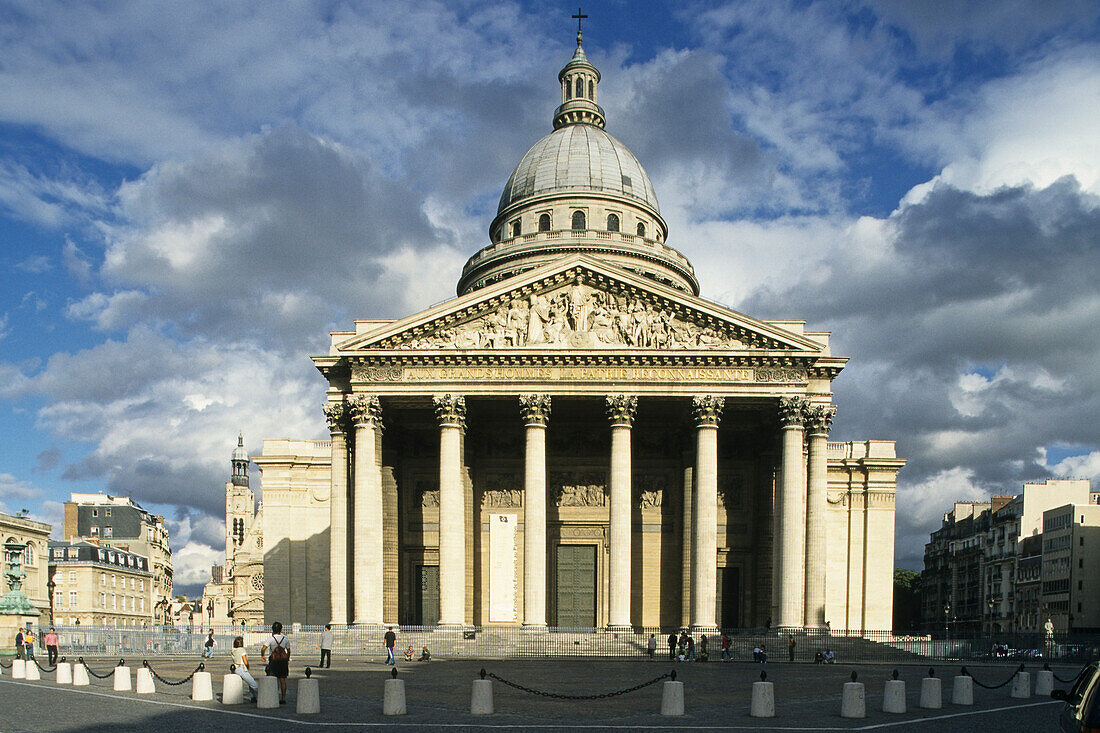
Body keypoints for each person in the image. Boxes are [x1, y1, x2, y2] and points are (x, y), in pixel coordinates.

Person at [261, 622, 290, 705]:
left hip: (273, 660)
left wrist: (262, 655)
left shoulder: (271, 638)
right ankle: (283, 698)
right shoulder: (285, 638)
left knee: (272, 678)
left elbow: (263, 648)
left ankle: (272, 696)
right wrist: (287, 658)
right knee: (282, 679)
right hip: (283, 661)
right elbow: (289, 650)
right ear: (281, 629)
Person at [232, 637, 258, 702]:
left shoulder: (233, 650)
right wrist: (248, 666)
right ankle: (263, 695)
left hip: (236, 668)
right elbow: (245, 661)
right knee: (253, 684)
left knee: (250, 682)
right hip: (241, 668)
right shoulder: (242, 650)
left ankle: (253, 697)